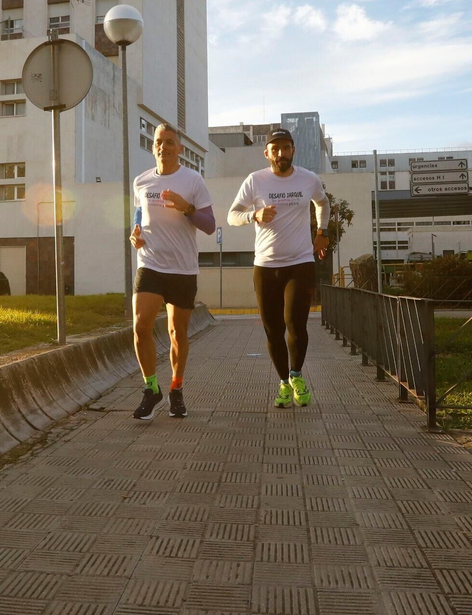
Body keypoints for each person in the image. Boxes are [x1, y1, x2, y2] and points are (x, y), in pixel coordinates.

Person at [228, 128, 330, 408]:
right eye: (275, 149)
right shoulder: (255, 181)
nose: (280, 153)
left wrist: (322, 231)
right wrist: (254, 215)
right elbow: (232, 215)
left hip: (300, 263)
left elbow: (323, 202)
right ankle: (284, 382)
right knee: (272, 330)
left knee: (295, 325)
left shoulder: (308, 178)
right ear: (267, 153)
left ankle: (296, 375)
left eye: (285, 148)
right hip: (265, 266)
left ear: (293, 150)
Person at [129, 123, 216, 420]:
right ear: (153, 146)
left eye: (169, 142)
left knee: (177, 333)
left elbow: (209, 225)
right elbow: (139, 215)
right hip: (150, 264)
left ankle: (176, 390)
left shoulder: (193, 180)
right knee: (140, 327)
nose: (163, 146)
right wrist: (135, 233)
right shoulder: (141, 181)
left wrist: (186, 207)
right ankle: (150, 388)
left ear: (179, 148)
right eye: (158, 142)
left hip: (182, 269)